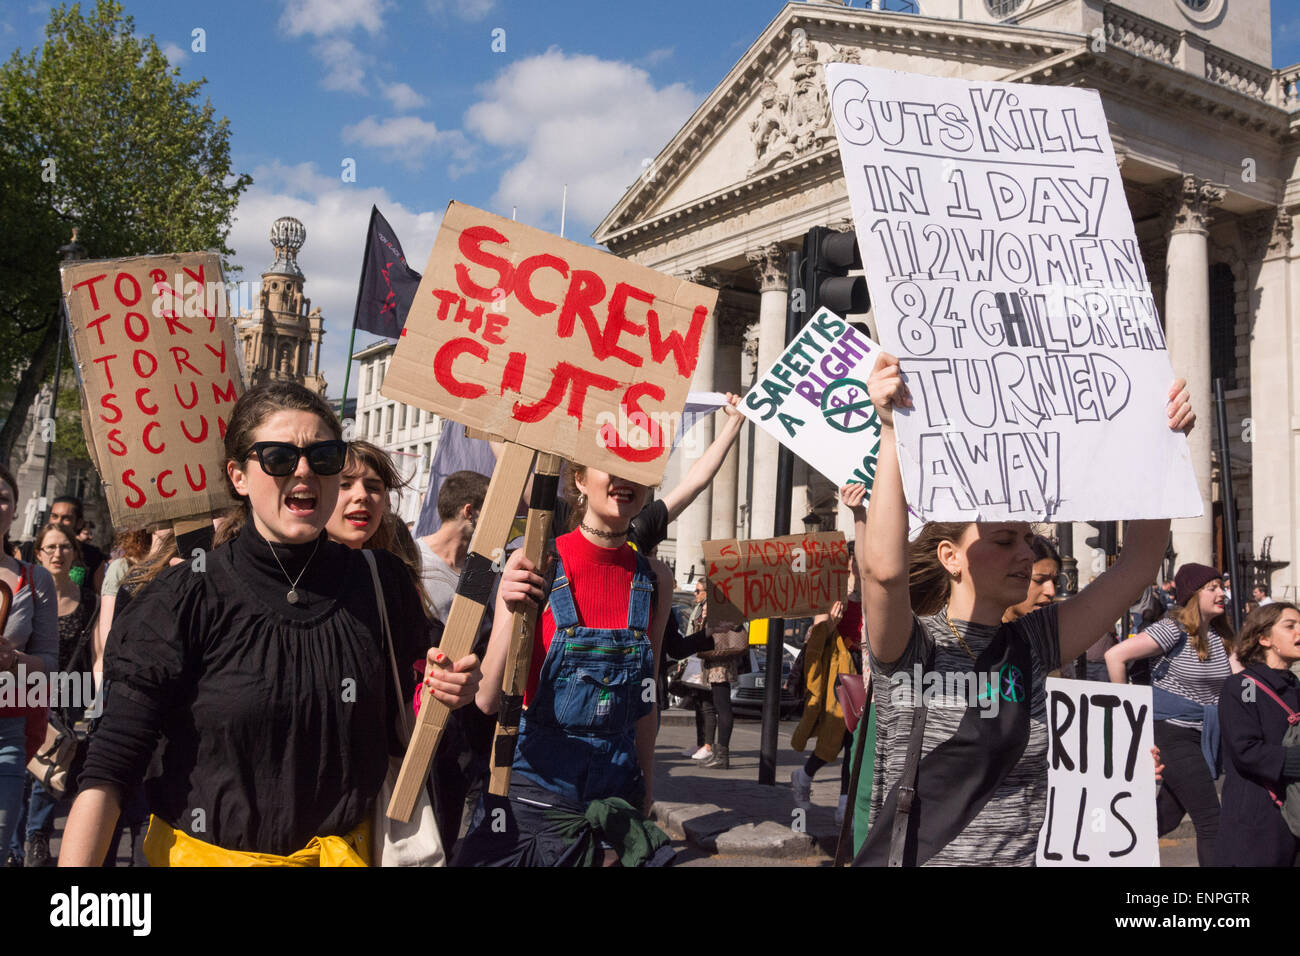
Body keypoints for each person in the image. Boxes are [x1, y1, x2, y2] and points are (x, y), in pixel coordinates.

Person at [60, 382, 480, 866]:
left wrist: (446, 692)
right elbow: (111, 770)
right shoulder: (183, 597)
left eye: (323, 456)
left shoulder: (381, 585)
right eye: (279, 457)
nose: (303, 471)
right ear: (238, 476)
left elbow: (409, 731)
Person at [852, 352, 1194, 866]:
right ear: (951, 557)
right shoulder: (913, 645)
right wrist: (892, 431)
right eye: (1005, 539)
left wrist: (1162, 444)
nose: (1026, 554)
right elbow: (882, 571)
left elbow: (1138, 564)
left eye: (1029, 540)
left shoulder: (1033, 642)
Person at [457, 465, 675, 866]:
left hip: (615, 803)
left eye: (636, 468)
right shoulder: (535, 560)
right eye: (609, 465)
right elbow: (487, 699)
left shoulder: (656, 578)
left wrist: (645, 787)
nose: (623, 478)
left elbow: (647, 699)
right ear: (578, 479)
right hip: (530, 805)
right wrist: (509, 602)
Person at [1104, 562, 1238, 866]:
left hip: (1205, 734)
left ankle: (1103, 847)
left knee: (1166, 815)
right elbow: (1115, 655)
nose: (1222, 593)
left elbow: (1242, 682)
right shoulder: (1172, 629)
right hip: (1172, 732)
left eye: (1222, 587)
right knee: (1211, 821)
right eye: (1212, 588)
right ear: (1193, 594)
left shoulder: (1221, 636)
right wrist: (1129, 713)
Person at [21, 522, 98, 866]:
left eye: (65, 547)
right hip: (28, 690)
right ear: (38, 554)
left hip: (72, 695)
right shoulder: (28, 596)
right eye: (50, 547)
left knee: (53, 766)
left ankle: (38, 838)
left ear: (75, 555)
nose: (57, 553)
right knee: (24, 770)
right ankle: (23, 838)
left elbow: (96, 651)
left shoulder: (89, 601)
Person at [0, 464, 57, 867]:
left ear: (14, 510)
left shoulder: (36, 579)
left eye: (3, 497)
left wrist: (14, 660)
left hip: (6, 732)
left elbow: (50, 664)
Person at [1215, 602, 1300, 866]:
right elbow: (1246, 750)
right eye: (1290, 626)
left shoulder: (1294, 686)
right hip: (1258, 824)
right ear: (1264, 638)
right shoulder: (1245, 686)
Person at [791, 547, 863, 824]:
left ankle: (844, 803)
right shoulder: (832, 592)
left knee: (854, 740)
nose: (861, 564)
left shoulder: (871, 591)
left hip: (864, 669)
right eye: (857, 559)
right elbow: (816, 636)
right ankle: (805, 774)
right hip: (840, 670)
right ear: (847, 563)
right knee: (838, 733)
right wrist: (832, 620)